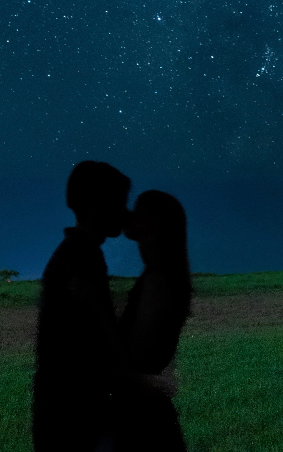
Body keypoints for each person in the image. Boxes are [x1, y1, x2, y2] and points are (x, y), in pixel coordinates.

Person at [33, 160, 132, 452]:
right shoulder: (82, 257)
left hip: (65, 407)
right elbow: (95, 338)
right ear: (95, 208)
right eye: (119, 203)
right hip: (74, 412)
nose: (126, 213)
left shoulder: (78, 252)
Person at [114, 190, 192, 452]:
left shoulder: (159, 280)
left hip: (142, 415)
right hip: (149, 410)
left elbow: (137, 357)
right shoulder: (170, 275)